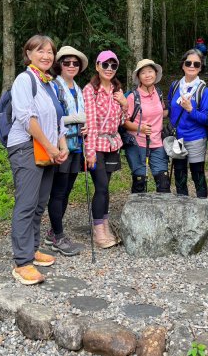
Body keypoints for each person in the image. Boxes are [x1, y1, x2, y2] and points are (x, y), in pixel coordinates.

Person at [7, 35, 68, 285]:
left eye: (50, 52)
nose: (46, 55)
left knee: (40, 203)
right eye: (40, 51)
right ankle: (22, 262)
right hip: (26, 148)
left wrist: (61, 146)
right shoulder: (25, 80)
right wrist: (50, 146)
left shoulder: (50, 84)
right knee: (27, 203)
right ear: (29, 54)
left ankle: (32, 249)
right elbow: (26, 118)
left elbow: (59, 119)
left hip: (47, 149)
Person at [43, 46, 89, 256]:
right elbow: (50, 115)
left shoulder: (78, 89)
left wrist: (85, 125)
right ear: (59, 65)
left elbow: (82, 115)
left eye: (75, 63)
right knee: (59, 191)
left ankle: (54, 232)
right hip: (62, 146)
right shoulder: (53, 87)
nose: (71, 66)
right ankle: (58, 236)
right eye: (67, 62)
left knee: (67, 190)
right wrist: (75, 120)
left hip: (77, 145)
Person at [83, 51, 128, 248]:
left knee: (106, 188)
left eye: (113, 65)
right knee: (101, 186)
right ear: (97, 66)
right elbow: (90, 123)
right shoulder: (90, 90)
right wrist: (90, 152)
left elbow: (121, 122)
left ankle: (105, 225)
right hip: (96, 144)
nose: (109, 69)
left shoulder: (117, 90)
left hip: (112, 144)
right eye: (105, 64)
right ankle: (98, 231)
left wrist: (125, 105)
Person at [167, 49, 208, 198]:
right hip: (178, 138)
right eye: (188, 63)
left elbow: (206, 118)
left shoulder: (203, 90)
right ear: (183, 65)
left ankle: (203, 209)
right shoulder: (174, 86)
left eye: (196, 64)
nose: (192, 66)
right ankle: (183, 210)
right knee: (179, 175)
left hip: (196, 138)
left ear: (200, 67)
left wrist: (190, 109)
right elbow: (169, 109)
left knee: (197, 175)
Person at [123, 59, 170, 194]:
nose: (147, 75)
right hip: (137, 143)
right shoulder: (133, 97)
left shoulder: (158, 93)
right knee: (140, 181)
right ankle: (136, 213)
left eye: (150, 71)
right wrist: (140, 128)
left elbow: (162, 112)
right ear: (138, 77)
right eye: (143, 73)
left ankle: (162, 213)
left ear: (155, 74)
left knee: (163, 182)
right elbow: (124, 121)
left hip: (157, 142)